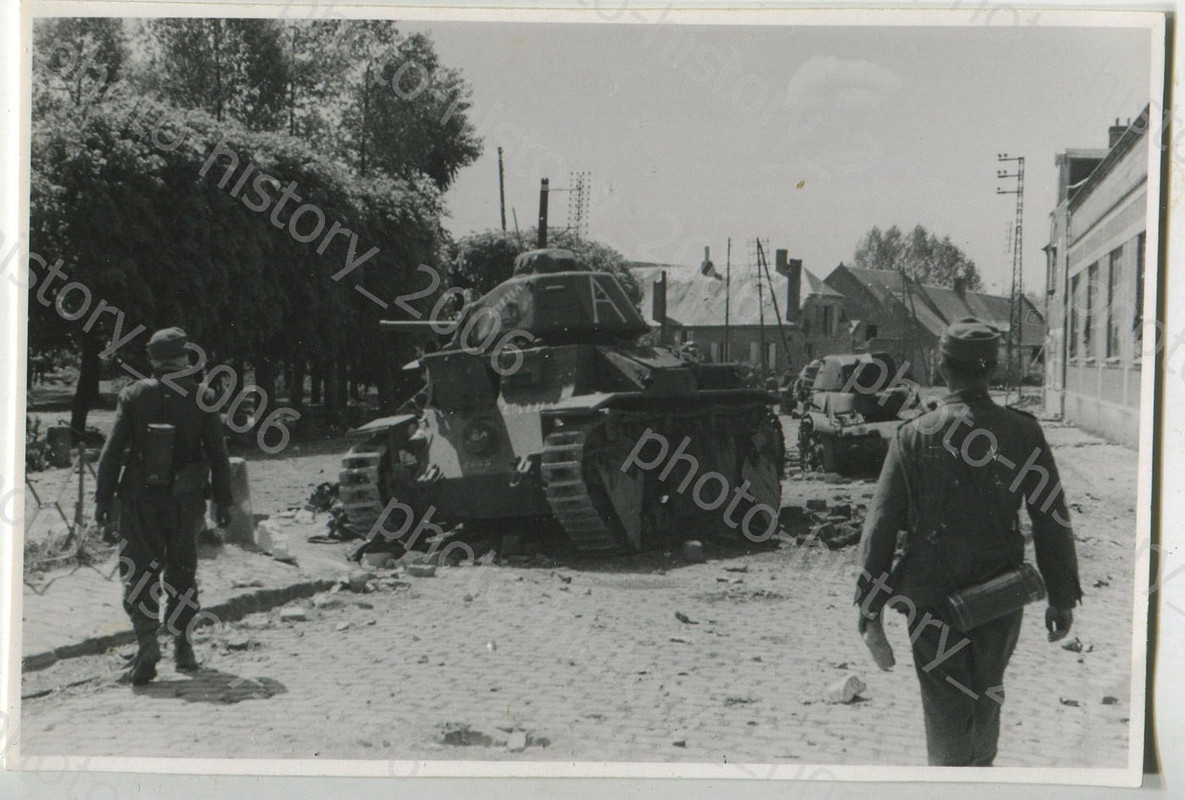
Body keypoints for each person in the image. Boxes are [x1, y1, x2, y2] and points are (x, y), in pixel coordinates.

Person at [853, 317, 1082, 767]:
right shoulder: (1023, 432)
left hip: (931, 598)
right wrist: (1061, 597)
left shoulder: (913, 436)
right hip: (1000, 596)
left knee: (944, 705)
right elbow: (1051, 518)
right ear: (992, 369)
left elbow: (880, 528)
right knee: (988, 692)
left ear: (942, 368)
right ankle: (981, 773)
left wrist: (869, 610)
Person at [94, 327, 234, 685]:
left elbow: (111, 453)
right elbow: (219, 456)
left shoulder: (134, 395)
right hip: (186, 501)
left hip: (140, 499)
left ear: (154, 361)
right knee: (182, 572)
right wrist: (223, 502)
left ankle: (146, 644)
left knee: (139, 572)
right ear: (185, 359)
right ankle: (184, 646)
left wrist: (103, 500)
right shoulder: (204, 396)